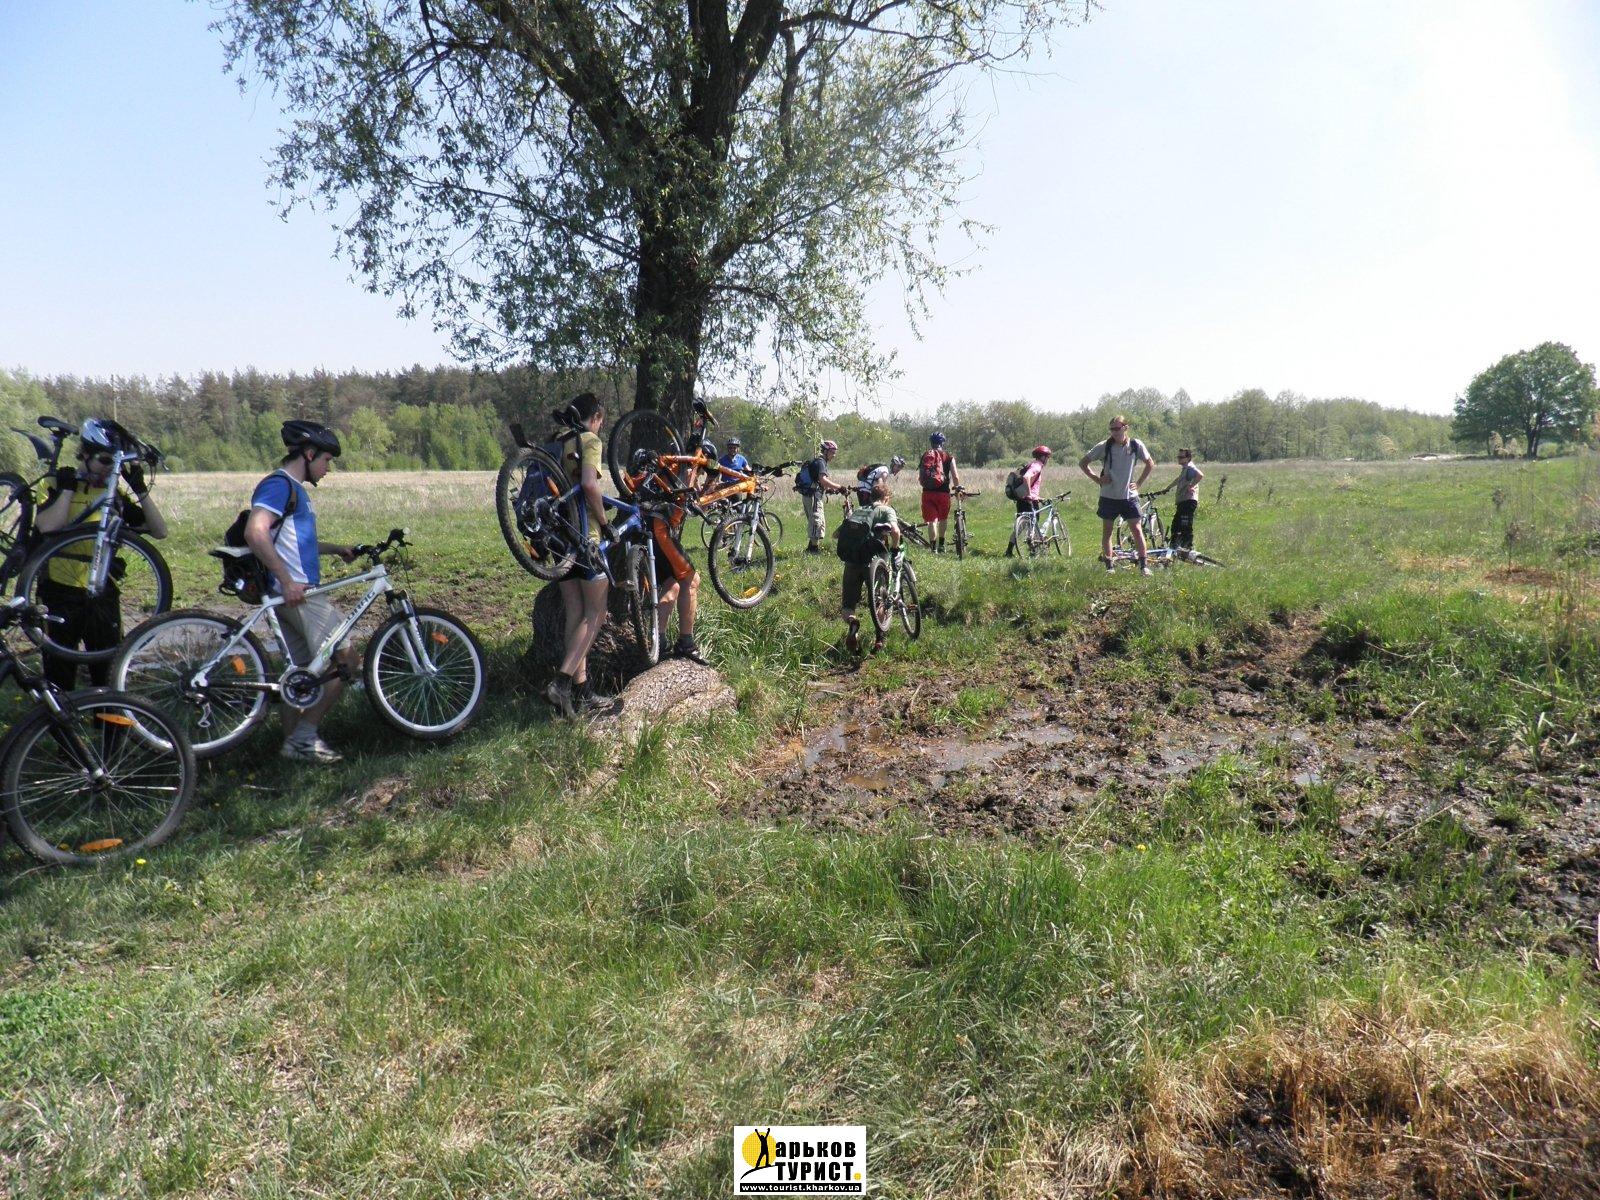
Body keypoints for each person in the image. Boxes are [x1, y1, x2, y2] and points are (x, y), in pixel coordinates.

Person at [243, 420, 359, 762]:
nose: (328, 469)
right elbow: (255, 532)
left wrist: (337, 549)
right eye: (326, 460)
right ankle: (305, 737)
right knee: (346, 661)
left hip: (290, 594)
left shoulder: (293, 490)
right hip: (299, 594)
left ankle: (292, 748)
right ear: (308, 454)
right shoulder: (279, 485)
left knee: (302, 674)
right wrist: (288, 580)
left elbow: (294, 542)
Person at [33, 418, 169, 690]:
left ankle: (108, 717)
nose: (110, 468)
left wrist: (140, 489)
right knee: (59, 676)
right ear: (84, 453)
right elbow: (48, 525)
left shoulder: (112, 495)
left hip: (103, 592)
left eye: (115, 462)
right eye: (105, 460)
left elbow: (159, 530)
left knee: (107, 675)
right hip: (58, 591)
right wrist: (68, 489)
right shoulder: (55, 482)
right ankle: (58, 718)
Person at [545, 393, 614, 718]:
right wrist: (605, 522)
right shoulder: (590, 440)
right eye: (601, 421)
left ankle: (582, 691)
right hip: (585, 536)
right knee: (597, 612)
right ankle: (561, 683)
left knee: (575, 612)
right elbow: (589, 484)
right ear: (596, 417)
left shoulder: (560, 442)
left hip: (558, 539)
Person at [1079, 414, 1154, 575]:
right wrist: (1097, 479)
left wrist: (1139, 483)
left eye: (1117, 428)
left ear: (1125, 428)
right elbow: (1083, 463)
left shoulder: (1136, 445)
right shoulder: (1104, 446)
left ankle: (1144, 566)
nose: (1114, 432)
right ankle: (1109, 566)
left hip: (1129, 497)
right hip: (1109, 496)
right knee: (1108, 531)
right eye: (1111, 429)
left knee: (1137, 529)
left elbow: (1150, 463)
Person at [835, 474, 901, 654]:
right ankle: (879, 638)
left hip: (852, 561)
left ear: (871, 497)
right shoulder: (887, 510)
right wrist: (894, 548)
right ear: (886, 498)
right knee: (880, 600)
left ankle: (853, 623)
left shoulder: (859, 511)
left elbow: (837, 535)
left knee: (848, 606)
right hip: (875, 562)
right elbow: (895, 531)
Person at [797, 439, 849, 554]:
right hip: (813, 496)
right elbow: (823, 480)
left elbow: (820, 482)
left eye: (835, 452)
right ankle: (813, 549)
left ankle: (811, 547)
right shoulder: (821, 462)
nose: (834, 455)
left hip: (810, 494)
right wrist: (840, 487)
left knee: (815, 521)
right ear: (825, 451)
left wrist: (831, 489)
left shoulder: (819, 461)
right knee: (816, 521)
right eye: (832, 452)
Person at [918, 431, 961, 553]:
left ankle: (933, 548)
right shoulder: (948, 456)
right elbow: (955, 476)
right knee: (943, 519)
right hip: (943, 493)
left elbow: (921, 476)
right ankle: (941, 545)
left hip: (927, 493)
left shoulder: (926, 455)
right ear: (942, 443)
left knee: (932, 521)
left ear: (931, 443)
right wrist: (957, 488)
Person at [1004, 446, 1050, 557]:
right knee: (1032, 526)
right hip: (1029, 501)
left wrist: (1037, 496)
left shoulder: (1032, 464)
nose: (1048, 459)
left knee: (1020, 527)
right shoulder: (1037, 466)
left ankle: (1009, 551)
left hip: (1021, 499)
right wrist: (1030, 495)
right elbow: (1026, 477)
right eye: (1047, 457)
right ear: (1043, 457)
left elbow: (1031, 484)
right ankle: (1033, 551)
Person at [1165, 448, 1204, 551]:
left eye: (1181, 457)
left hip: (1188, 501)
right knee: (1176, 525)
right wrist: (1168, 487)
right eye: (1178, 457)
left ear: (1188, 458)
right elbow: (1179, 479)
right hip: (1183, 501)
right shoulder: (1185, 469)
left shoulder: (1190, 467)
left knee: (1185, 524)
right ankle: (1175, 547)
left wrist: (1191, 485)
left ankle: (1187, 547)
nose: (1179, 459)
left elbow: (1200, 475)